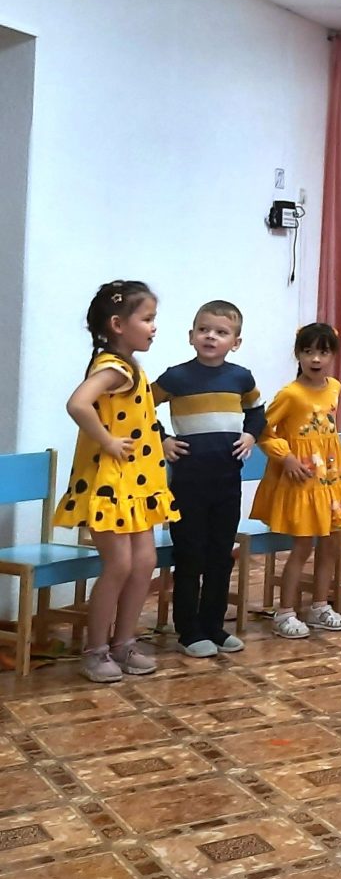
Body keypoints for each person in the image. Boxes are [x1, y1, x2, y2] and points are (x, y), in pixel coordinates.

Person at [54, 280, 179, 682]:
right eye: (147, 319)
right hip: (110, 482)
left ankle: (124, 642)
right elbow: (77, 403)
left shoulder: (132, 368)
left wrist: (162, 441)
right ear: (118, 325)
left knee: (144, 562)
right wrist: (107, 440)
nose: (154, 327)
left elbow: (140, 418)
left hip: (136, 483)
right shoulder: (113, 368)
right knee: (119, 564)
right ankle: (96, 650)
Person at [152, 300, 264, 658]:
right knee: (190, 555)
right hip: (189, 483)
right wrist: (163, 439)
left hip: (227, 482)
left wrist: (251, 435)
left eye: (221, 332)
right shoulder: (176, 377)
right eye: (204, 330)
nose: (211, 337)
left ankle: (213, 626)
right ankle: (189, 631)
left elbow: (257, 413)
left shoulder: (241, 378)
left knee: (220, 555)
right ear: (191, 336)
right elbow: (139, 408)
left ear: (236, 342)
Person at [250, 322, 341, 638]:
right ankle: (285, 613)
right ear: (298, 354)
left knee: (331, 544)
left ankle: (319, 606)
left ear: (333, 355)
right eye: (308, 351)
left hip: (331, 479)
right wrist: (287, 457)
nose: (315, 359)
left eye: (323, 352)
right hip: (303, 480)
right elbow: (262, 430)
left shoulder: (335, 387)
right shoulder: (290, 394)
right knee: (303, 545)